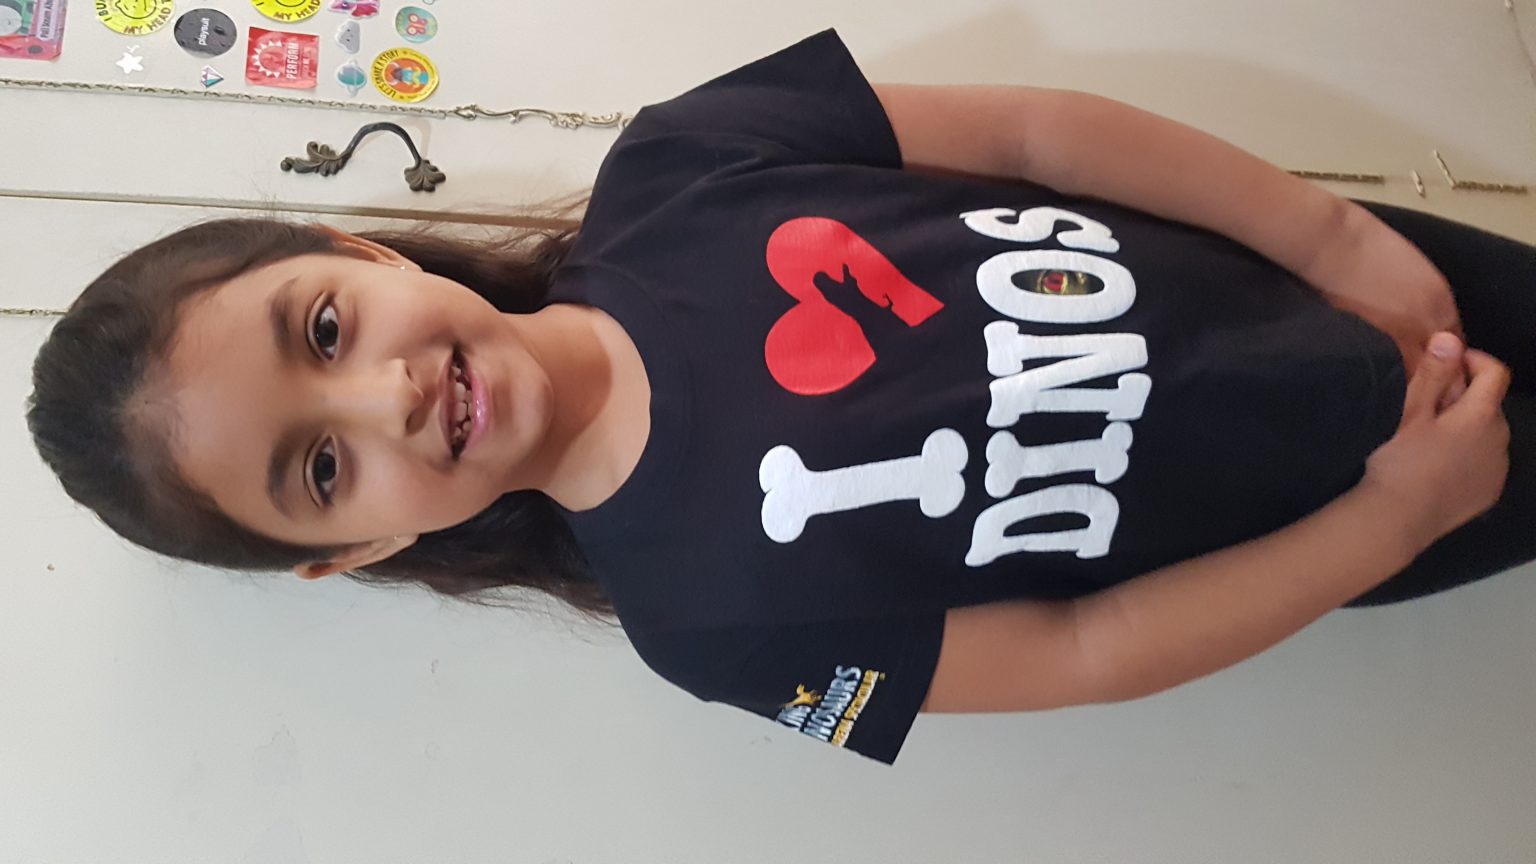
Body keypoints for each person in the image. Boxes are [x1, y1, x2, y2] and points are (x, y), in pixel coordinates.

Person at [26, 30, 1530, 765]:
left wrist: (1333, 238)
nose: (384, 397)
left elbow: (1036, 133)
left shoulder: (684, 156)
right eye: (322, 470)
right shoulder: (711, 634)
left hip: (1373, 286)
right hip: (1373, 509)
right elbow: (1085, 650)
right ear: (355, 550)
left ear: (355, 249)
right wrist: (1392, 525)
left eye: (325, 328)